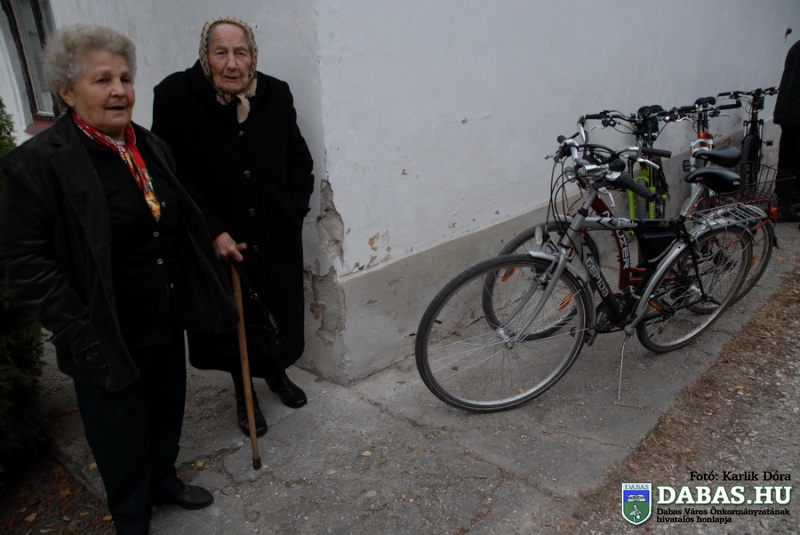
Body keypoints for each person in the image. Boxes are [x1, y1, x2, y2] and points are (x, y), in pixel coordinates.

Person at [0, 24, 239, 535]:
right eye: (102, 79)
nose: (119, 91)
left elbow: (175, 220)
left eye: (126, 78)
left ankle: (163, 480)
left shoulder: (147, 145)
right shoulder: (38, 164)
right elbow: (25, 262)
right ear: (66, 92)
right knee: (116, 426)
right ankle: (131, 515)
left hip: (162, 313)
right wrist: (78, 327)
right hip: (101, 325)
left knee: (165, 406)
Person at [152, 17, 315, 438]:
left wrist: (293, 212)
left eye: (240, 52)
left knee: (276, 313)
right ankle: (244, 392)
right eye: (220, 52)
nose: (231, 63)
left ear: (252, 55)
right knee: (232, 321)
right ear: (205, 56)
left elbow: (298, 159)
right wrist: (211, 230)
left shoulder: (275, 93)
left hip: (274, 234)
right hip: (219, 239)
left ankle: (275, 373)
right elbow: (171, 172)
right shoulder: (173, 96)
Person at [774, 39, 800, 224]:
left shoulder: (796, 47)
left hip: (787, 111)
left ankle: (784, 204)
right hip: (797, 111)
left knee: (788, 160)